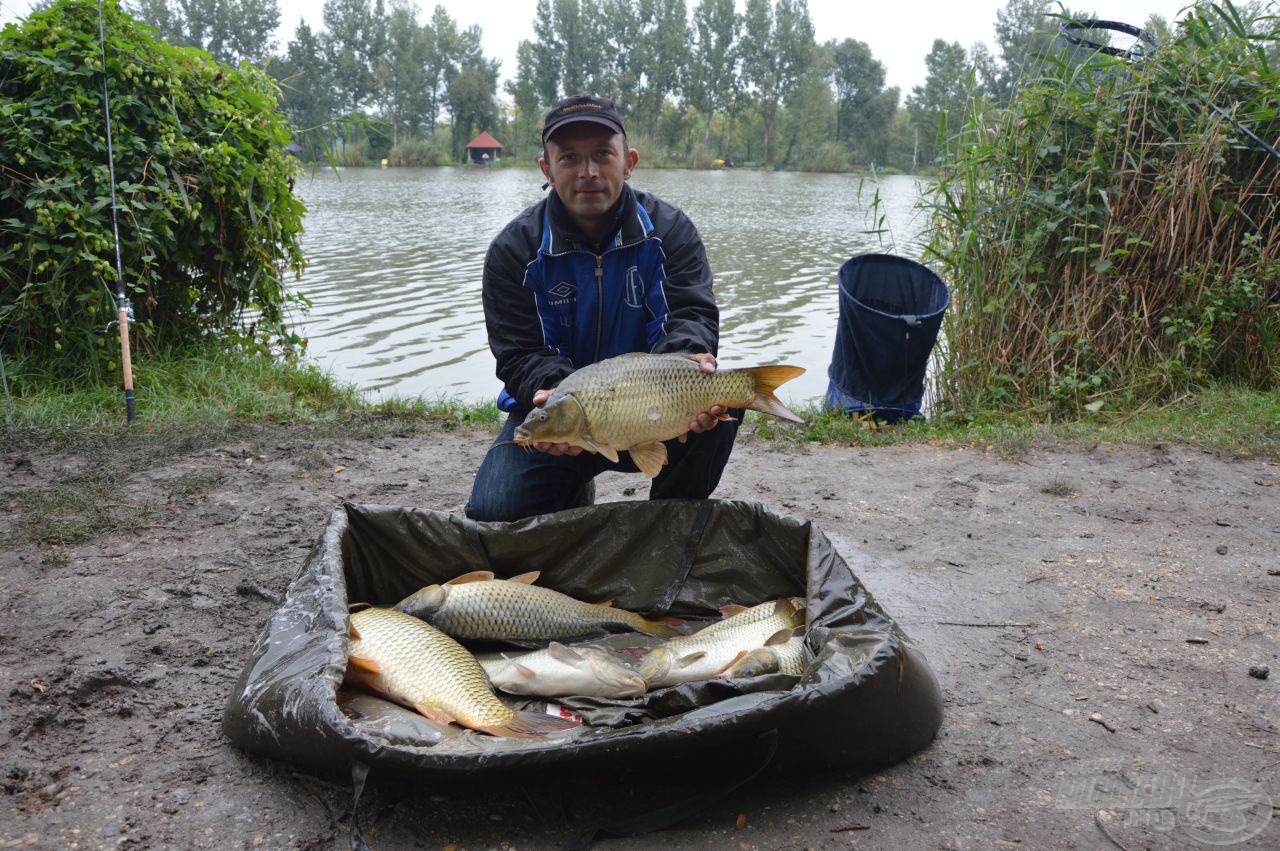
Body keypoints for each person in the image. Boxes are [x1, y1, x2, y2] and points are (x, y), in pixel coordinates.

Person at [465, 94, 739, 522]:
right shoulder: (514, 249)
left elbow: (692, 316)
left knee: (724, 404)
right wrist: (554, 395)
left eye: (601, 155)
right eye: (569, 157)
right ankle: (571, 482)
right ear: (547, 169)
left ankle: (667, 524)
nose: (587, 171)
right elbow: (517, 354)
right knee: (494, 511)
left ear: (628, 162)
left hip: (653, 407)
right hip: (558, 410)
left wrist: (688, 361)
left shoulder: (670, 231)